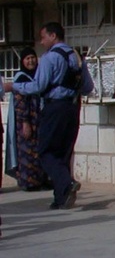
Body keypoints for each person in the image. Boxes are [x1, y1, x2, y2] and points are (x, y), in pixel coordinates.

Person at [4, 22, 94, 209]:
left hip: (55, 108)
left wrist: (13, 86)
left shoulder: (49, 58)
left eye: (43, 37)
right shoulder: (76, 56)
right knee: (63, 153)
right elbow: (87, 87)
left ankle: (67, 182)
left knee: (45, 152)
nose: (42, 41)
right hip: (73, 108)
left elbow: (38, 86)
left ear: (53, 36)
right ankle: (61, 198)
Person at [5, 49, 47, 190]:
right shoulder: (21, 78)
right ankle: (28, 182)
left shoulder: (39, 76)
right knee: (27, 151)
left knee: (40, 150)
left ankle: (41, 180)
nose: (31, 61)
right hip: (26, 121)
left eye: (33, 58)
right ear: (22, 61)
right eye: (27, 58)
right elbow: (20, 102)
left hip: (39, 120)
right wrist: (25, 122)